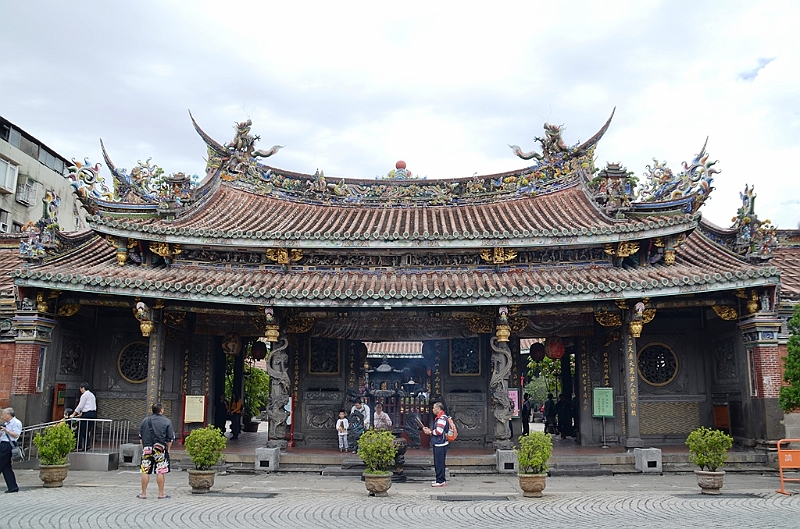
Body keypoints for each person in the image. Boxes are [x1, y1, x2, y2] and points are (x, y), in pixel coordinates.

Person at [138, 403, 175, 499]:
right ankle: (161, 493)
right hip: (160, 449)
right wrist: (168, 451)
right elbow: (170, 439)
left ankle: (143, 493)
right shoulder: (166, 421)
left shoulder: (145, 421)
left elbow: (140, 437)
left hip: (147, 448)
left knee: (145, 471)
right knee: (160, 471)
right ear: (161, 410)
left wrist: (144, 448)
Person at [422, 401, 448, 488]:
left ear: (438, 408)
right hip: (439, 443)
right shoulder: (440, 418)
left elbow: (439, 431)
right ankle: (440, 479)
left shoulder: (442, 418)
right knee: (439, 462)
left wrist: (430, 432)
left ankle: (440, 480)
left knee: (439, 462)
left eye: (434, 408)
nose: (433, 409)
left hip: (440, 443)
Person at [70, 382, 97, 450]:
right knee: (86, 430)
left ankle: (79, 446)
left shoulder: (84, 395)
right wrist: (82, 414)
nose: (80, 390)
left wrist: (73, 414)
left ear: (83, 388)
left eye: (81, 388)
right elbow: (90, 406)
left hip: (87, 414)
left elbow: (80, 406)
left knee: (80, 430)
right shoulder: (91, 395)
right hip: (93, 413)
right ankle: (87, 445)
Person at [0, 407, 21, 493]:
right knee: (6, 467)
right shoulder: (6, 423)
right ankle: (12, 486)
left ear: (8, 415)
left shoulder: (16, 423)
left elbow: (16, 435)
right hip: (3, 444)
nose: (2, 416)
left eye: (3, 414)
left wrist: (6, 430)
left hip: (8, 445)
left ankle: (13, 487)